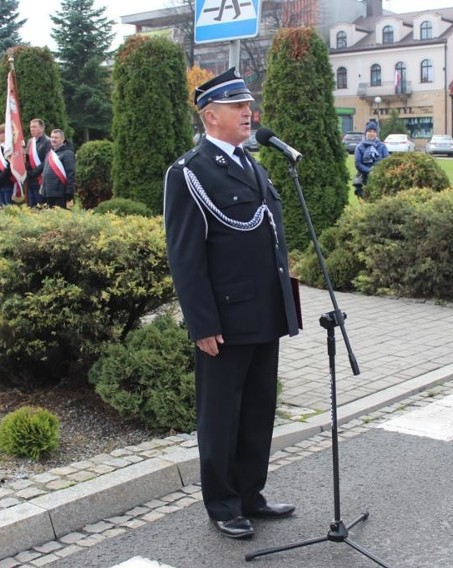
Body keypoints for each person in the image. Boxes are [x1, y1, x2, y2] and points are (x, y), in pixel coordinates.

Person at [163, 67, 299, 540]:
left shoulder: (250, 163)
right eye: (238, 107)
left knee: (259, 409)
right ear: (210, 115)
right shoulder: (189, 173)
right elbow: (185, 255)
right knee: (221, 415)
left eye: (249, 105)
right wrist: (201, 322)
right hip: (223, 316)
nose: (249, 113)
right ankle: (222, 504)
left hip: (264, 310)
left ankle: (249, 493)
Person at [40, 128, 75, 208]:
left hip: (60, 194)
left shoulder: (68, 153)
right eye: (52, 137)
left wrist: (69, 192)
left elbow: (71, 174)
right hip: (48, 193)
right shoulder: (49, 153)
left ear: (62, 139)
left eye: (56, 137)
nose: (53, 139)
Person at [353, 121, 388, 197]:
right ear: (365, 133)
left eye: (374, 131)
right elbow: (358, 164)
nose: (372, 133)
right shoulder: (359, 147)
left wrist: (378, 171)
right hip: (364, 179)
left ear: (376, 133)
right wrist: (370, 171)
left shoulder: (382, 146)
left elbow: (386, 161)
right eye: (369, 131)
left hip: (380, 178)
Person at [25, 118, 50, 207]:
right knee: (32, 206)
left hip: (41, 179)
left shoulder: (47, 141)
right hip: (30, 180)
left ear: (42, 128)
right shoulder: (30, 141)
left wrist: (33, 172)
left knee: (41, 206)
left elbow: (47, 160)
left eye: (34, 127)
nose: (32, 129)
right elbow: (27, 158)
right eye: (31, 127)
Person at [0, 124, 15, 206]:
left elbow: (9, 167)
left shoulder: (9, 148)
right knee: (2, 206)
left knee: (8, 206)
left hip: (8, 182)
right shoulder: (0, 147)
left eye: (0, 133)